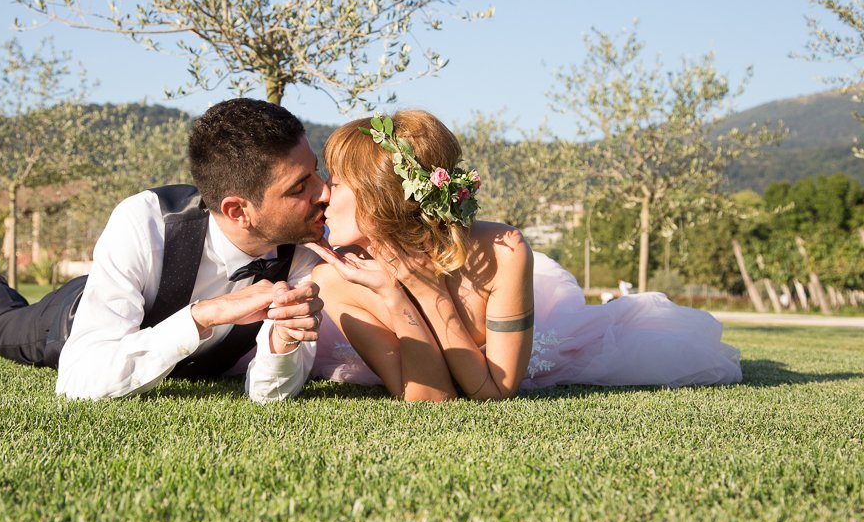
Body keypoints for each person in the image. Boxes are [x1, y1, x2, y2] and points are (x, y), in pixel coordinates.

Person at [308, 111, 742, 401]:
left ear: (383, 197)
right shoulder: (337, 280)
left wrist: (428, 289)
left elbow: (495, 390)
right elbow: (431, 401)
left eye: (338, 181)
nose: (323, 193)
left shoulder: (503, 252)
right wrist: (398, 296)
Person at [0, 98, 329, 402]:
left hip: (140, 310)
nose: (324, 192)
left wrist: (283, 341)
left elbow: (271, 394)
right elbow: (78, 380)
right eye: (300, 188)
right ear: (238, 211)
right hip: (72, 318)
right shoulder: (146, 222)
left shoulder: (304, 245)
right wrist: (202, 316)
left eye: (316, 173)